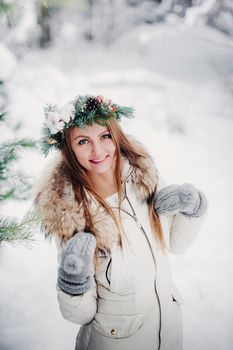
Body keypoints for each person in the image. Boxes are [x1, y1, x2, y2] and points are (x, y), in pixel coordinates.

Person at [34, 94, 208, 350]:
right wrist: (73, 283)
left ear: (116, 135)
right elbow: (81, 315)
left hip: (168, 332)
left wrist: (192, 209)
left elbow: (175, 244)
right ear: (69, 150)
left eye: (105, 136)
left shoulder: (142, 175)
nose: (98, 150)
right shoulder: (70, 210)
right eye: (83, 141)